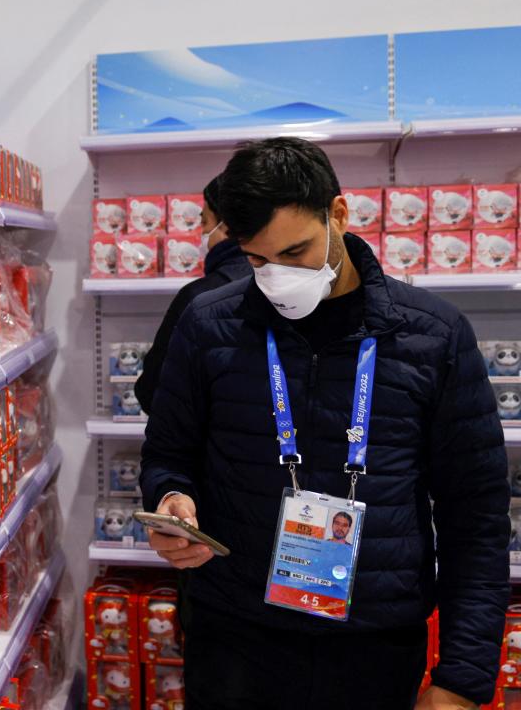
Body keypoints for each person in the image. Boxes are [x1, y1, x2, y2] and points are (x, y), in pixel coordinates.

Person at [140, 137, 509, 710]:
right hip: (236, 640)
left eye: (295, 252)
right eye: (258, 259)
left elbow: (476, 514)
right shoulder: (209, 324)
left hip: (374, 646)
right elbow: (168, 453)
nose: (278, 276)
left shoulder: (433, 336)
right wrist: (170, 500)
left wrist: (462, 675)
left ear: (338, 213)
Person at [134, 174, 252, 413]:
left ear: (226, 228)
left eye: (205, 223)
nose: (202, 233)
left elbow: (151, 391)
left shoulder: (196, 298)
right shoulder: (287, 288)